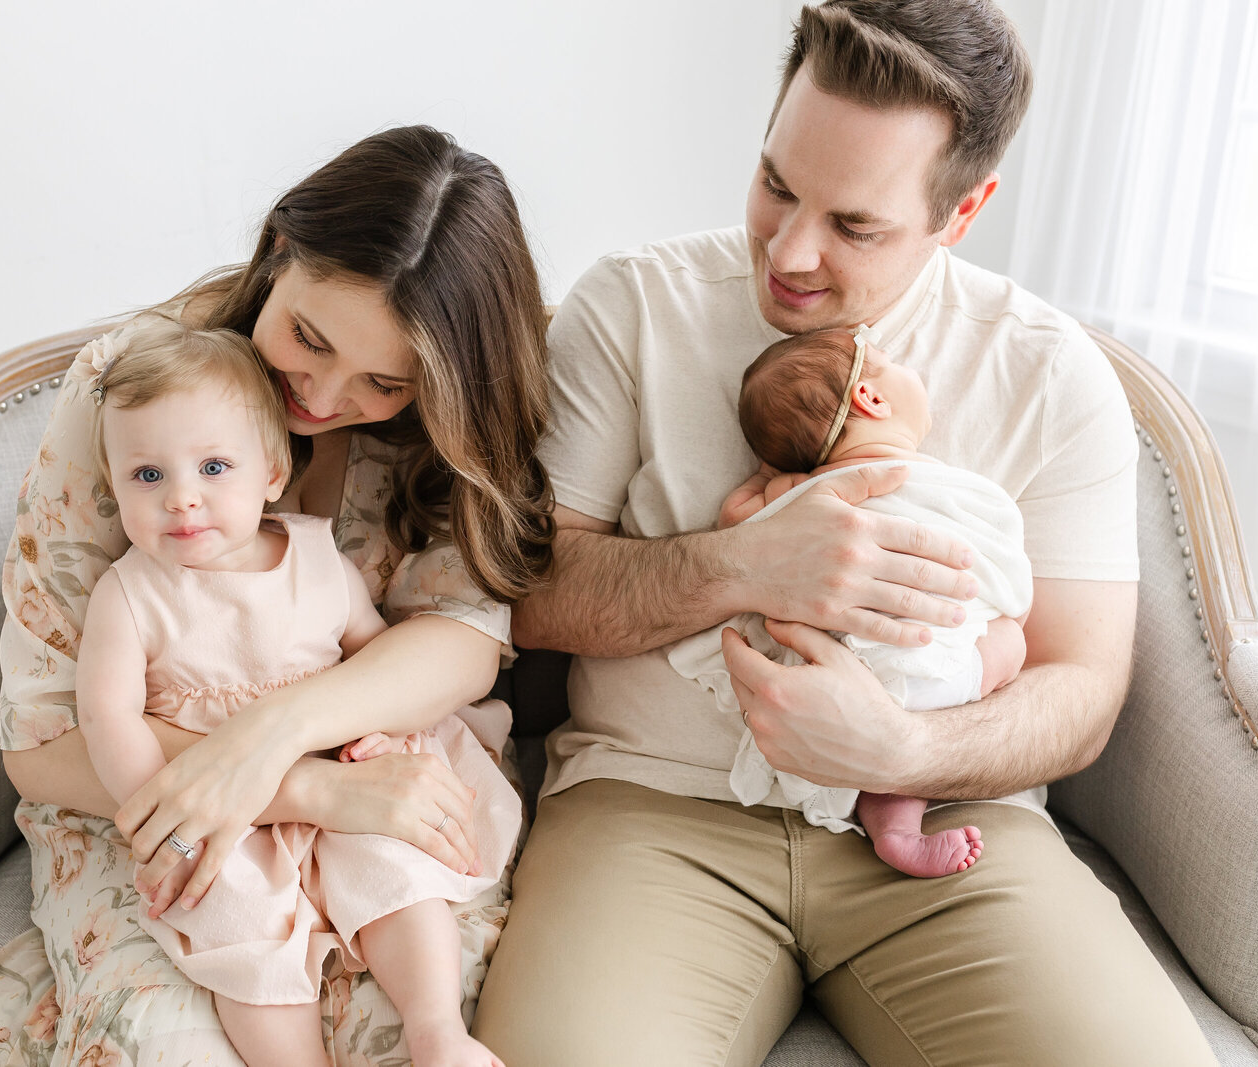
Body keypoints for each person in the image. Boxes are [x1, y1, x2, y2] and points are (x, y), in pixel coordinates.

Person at [473, 2, 1218, 1064]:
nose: (787, 249)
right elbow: (534, 595)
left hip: (953, 834)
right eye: (776, 183)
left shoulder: (1052, 376)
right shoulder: (634, 307)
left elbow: (1081, 688)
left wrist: (905, 749)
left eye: (854, 225)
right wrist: (738, 565)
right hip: (656, 811)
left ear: (961, 214)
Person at [0, 125, 550, 1067]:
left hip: (375, 782)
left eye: (382, 381)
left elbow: (459, 636)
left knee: (414, 1026)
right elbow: (45, 742)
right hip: (151, 812)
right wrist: (302, 786)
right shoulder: (137, 395)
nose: (324, 397)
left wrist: (276, 730)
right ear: (280, 251)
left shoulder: (436, 433)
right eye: (307, 337)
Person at [76, 315, 517, 1067]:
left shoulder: (317, 558)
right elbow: (107, 714)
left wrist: (377, 735)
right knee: (236, 919)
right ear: (115, 486)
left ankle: (437, 1031)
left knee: (392, 864)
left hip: (340, 764)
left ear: (272, 473)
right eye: (148, 476)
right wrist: (165, 816)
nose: (183, 498)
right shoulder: (129, 595)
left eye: (214, 467)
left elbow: (375, 657)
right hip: (218, 813)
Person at [667, 324, 1033, 878]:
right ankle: (901, 819)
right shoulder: (941, 482)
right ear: (872, 396)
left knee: (879, 725)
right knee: (1011, 639)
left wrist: (768, 477)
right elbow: (997, 555)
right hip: (929, 662)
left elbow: (736, 523)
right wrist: (1006, 611)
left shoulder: (796, 497)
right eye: (892, 363)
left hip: (818, 687)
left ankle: (895, 830)